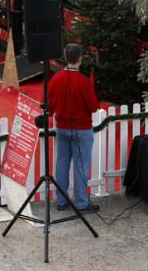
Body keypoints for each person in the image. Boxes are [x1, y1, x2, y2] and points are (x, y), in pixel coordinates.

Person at [48, 43, 100, 214]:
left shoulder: (55, 80)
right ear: (80, 59)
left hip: (62, 127)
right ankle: (81, 202)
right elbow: (93, 107)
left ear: (65, 58)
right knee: (81, 166)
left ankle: (61, 200)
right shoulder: (84, 82)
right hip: (81, 128)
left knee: (62, 163)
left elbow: (50, 105)